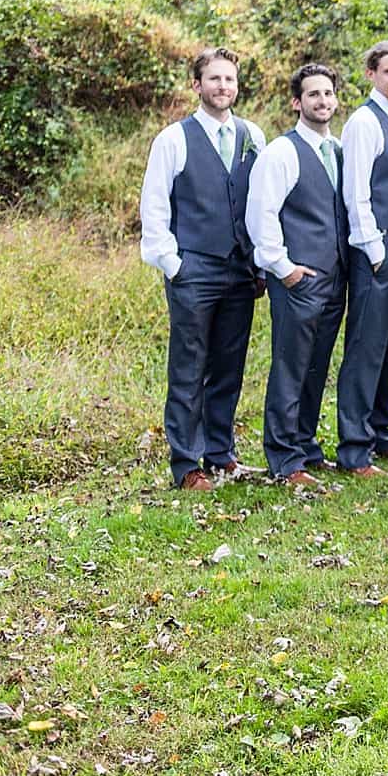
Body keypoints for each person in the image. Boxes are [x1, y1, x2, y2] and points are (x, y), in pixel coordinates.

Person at [139, 47, 265, 490]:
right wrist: (174, 265)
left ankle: (221, 453)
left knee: (229, 364)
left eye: (229, 79)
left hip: (240, 271)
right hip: (193, 269)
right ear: (197, 85)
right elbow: (153, 209)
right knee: (189, 365)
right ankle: (186, 464)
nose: (223, 87)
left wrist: (260, 261)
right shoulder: (173, 139)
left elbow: (261, 204)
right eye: (214, 79)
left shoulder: (253, 135)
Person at [245, 63, 351, 486]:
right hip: (298, 280)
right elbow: (261, 214)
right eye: (313, 95)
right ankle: (284, 459)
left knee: (316, 367)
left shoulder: (340, 150)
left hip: (334, 278)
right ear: (297, 102)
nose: (322, 101)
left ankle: (306, 445)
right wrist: (284, 269)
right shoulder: (281, 152)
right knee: (290, 367)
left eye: (328, 94)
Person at [335, 40, 388, 470]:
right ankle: (353, 445)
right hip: (378, 248)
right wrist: (374, 249)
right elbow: (357, 190)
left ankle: (379, 431)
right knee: (366, 346)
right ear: (371, 74)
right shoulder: (364, 123)